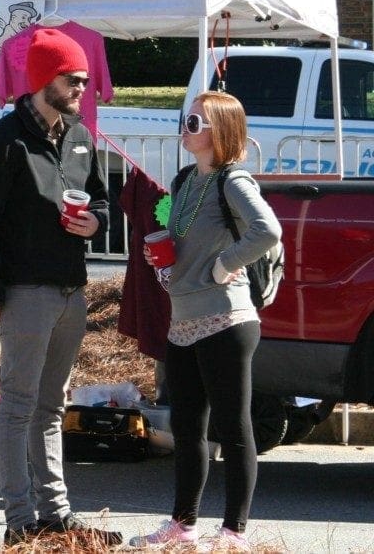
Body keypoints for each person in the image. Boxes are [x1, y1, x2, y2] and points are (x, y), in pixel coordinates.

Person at [0, 28, 122, 548]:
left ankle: (55, 513)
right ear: (41, 79)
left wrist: (95, 223)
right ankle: (19, 519)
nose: (81, 88)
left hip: (72, 288)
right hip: (26, 290)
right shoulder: (3, 142)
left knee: (52, 407)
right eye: (72, 79)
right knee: (19, 405)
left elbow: (101, 200)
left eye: (85, 80)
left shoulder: (78, 136)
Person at [130, 92, 281, 551]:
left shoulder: (233, 181)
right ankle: (184, 524)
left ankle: (234, 531)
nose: (185, 127)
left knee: (233, 429)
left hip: (226, 318)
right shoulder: (184, 180)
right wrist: (164, 261)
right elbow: (183, 239)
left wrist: (223, 264)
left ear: (220, 130)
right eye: (185, 119)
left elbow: (268, 229)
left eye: (194, 121)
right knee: (187, 426)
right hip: (184, 319)